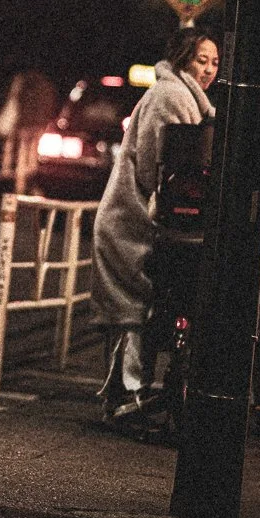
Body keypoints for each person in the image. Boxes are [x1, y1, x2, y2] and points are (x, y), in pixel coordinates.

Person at [91, 26, 220, 426]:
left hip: (147, 221)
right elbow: (154, 163)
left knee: (144, 307)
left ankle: (132, 394)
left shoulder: (185, 97)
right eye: (202, 60)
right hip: (130, 220)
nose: (209, 70)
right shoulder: (170, 96)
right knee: (130, 309)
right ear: (183, 58)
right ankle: (124, 397)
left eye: (215, 62)